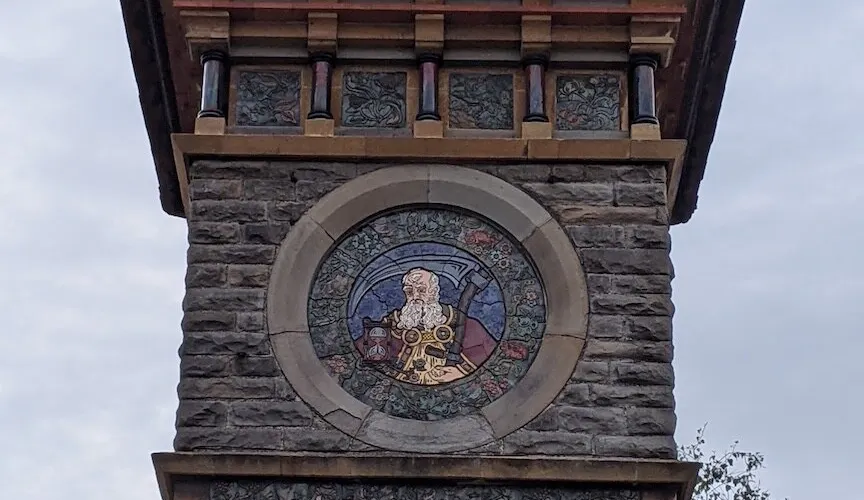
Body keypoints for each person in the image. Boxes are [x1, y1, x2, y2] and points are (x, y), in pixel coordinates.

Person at [358, 267, 496, 385]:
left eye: (422, 290)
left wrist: (460, 373)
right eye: (409, 292)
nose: (415, 296)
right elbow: (368, 358)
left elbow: (489, 355)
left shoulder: (457, 320)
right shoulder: (393, 323)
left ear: (434, 291)